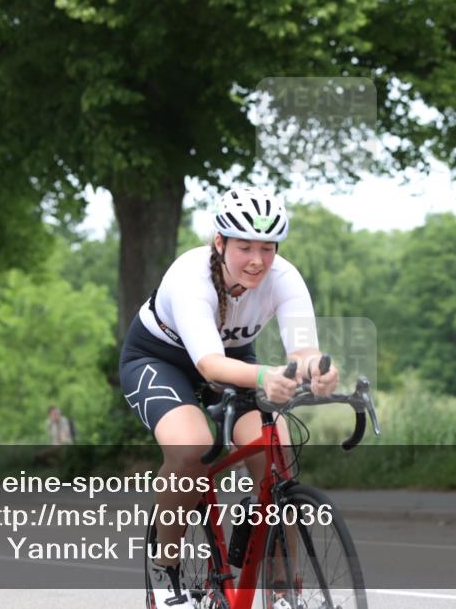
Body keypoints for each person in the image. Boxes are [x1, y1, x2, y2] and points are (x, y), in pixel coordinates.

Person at [118, 187, 338, 608]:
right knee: (191, 448)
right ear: (219, 243)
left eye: (267, 247)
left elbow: (305, 352)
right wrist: (265, 375)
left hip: (234, 361)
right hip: (162, 358)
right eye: (245, 247)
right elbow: (209, 366)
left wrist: (320, 370)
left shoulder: (283, 278)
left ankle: (280, 583)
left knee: (277, 450)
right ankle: (168, 573)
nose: (257, 260)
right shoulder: (190, 275)